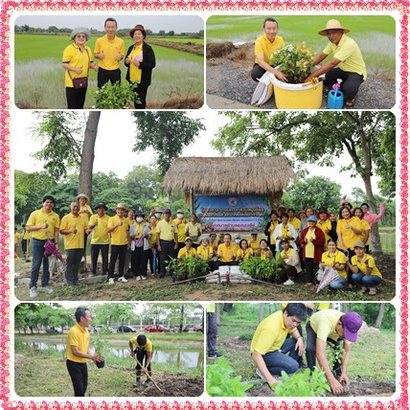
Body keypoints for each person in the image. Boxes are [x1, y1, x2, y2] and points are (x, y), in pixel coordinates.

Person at [305, 19, 367, 108]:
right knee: (324, 78)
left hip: (356, 72)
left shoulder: (349, 43)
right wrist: (307, 66)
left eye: (334, 32)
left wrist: (311, 77)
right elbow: (321, 56)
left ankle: (351, 96)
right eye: (328, 34)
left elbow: (332, 63)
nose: (331, 36)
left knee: (348, 91)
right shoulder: (332, 43)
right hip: (343, 69)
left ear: (341, 32)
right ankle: (343, 84)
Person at [306, 309, 363, 395]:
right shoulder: (326, 322)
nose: (346, 336)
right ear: (339, 324)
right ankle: (312, 375)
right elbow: (320, 353)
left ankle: (338, 375)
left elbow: (346, 351)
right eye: (345, 333)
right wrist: (330, 380)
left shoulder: (350, 323)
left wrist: (344, 371)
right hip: (314, 326)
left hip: (334, 331)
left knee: (338, 351)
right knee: (311, 349)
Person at [250, 304, 307, 389]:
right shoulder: (271, 328)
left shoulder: (286, 319)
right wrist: (270, 380)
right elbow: (256, 354)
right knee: (294, 366)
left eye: (298, 323)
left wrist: (299, 338)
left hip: (275, 347)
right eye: (293, 320)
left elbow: (293, 330)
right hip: (264, 354)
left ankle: (284, 366)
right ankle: (264, 371)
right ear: (286, 313)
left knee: (297, 341)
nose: (295, 324)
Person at [25, 195, 60, 298]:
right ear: (43, 203)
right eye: (47, 202)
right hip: (37, 242)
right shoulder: (35, 213)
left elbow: (56, 231)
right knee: (36, 265)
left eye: (51, 203)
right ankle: (32, 287)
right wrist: (40, 226)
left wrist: (56, 243)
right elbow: (28, 228)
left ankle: (45, 284)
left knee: (46, 265)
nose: (49, 204)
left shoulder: (55, 216)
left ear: (53, 205)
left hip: (49, 242)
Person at [66, 307, 103, 397]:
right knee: (79, 391)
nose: (91, 319)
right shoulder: (73, 331)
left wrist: (94, 358)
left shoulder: (86, 331)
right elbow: (75, 351)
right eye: (89, 317)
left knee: (83, 388)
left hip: (83, 363)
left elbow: (86, 349)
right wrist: (91, 357)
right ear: (82, 319)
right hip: (73, 364)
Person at [62, 28, 97, 109]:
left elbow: (90, 63)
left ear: (86, 38)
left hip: (83, 82)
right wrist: (75, 69)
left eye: (83, 36)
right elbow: (64, 64)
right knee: (72, 107)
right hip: (71, 83)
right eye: (79, 36)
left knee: (80, 106)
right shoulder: (69, 49)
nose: (81, 38)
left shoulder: (87, 49)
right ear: (74, 38)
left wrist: (95, 67)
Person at [125, 24, 156, 109]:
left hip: (142, 81)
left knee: (141, 101)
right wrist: (126, 61)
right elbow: (126, 63)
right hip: (132, 80)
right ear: (133, 36)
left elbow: (152, 64)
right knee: (135, 100)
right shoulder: (131, 48)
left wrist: (140, 64)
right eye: (135, 34)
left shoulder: (148, 48)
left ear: (143, 36)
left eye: (139, 34)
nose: (137, 36)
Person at [60, 202, 87, 285]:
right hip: (70, 245)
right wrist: (70, 231)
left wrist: (88, 231)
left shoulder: (82, 218)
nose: (76, 208)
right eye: (74, 207)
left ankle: (75, 279)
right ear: (70, 207)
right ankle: (68, 281)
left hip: (80, 245)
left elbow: (85, 229)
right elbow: (61, 231)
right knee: (69, 264)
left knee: (77, 264)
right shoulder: (66, 218)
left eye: (77, 207)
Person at [251, 17, 287, 82]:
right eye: (269, 29)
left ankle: (272, 78)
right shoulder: (259, 41)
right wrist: (276, 72)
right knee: (255, 74)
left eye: (274, 28)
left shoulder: (280, 40)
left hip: (275, 64)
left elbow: (284, 57)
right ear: (264, 29)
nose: (272, 31)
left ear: (277, 29)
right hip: (263, 65)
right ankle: (268, 81)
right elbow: (261, 62)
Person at [94, 18, 125, 88]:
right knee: (101, 92)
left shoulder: (121, 42)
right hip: (102, 70)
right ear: (105, 28)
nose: (110, 29)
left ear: (116, 28)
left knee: (117, 92)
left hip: (115, 70)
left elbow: (122, 55)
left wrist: (120, 57)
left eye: (112, 27)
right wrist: (99, 56)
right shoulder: (99, 41)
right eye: (108, 27)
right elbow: (95, 54)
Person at [107, 203, 130, 284]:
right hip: (115, 243)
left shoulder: (126, 220)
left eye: (122, 210)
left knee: (122, 261)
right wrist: (116, 225)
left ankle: (121, 276)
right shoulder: (112, 219)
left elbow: (127, 232)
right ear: (116, 210)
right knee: (113, 261)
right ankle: (110, 277)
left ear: (124, 211)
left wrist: (128, 243)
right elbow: (108, 230)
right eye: (119, 209)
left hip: (124, 243)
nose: (120, 211)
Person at [300, 215, 326, 287]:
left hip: (316, 253)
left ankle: (317, 282)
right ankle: (309, 281)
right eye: (310, 221)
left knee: (317, 268)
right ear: (308, 222)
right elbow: (301, 240)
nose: (311, 223)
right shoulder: (305, 230)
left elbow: (322, 242)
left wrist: (314, 241)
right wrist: (303, 241)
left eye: (313, 221)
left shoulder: (319, 231)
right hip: (307, 252)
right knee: (308, 268)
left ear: (315, 222)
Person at [87, 202, 110, 276]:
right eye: (99, 208)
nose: (101, 209)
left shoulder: (108, 218)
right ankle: (93, 271)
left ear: (104, 209)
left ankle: (105, 271)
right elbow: (89, 227)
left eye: (102, 208)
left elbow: (110, 229)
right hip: (95, 241)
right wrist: (93, 225)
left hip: (105, 241)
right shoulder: (93, 217)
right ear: (97, 209)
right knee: (94, 257)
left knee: (105, 257)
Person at [156, 208, 178, 278]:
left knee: (172, 258)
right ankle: (162, 272)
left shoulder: (173, 223)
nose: (167, 215)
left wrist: (176, 243)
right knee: (162, 259)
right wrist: (158, 245)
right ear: (163, 215)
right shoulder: (160, 223)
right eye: (165, 213)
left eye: (168, 214)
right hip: (163, 243)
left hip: (171, 243)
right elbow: (157, 235)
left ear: (170, 215)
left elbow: (175, 234)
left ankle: (172, 272)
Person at [76, 193, 92, 271]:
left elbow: (91, 215)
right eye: (80, 199)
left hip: (86, 229)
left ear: (86, 200)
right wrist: (81, 211)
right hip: (77, 229)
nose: (82, 200)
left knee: (84, 245)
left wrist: (87, 211)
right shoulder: (77, 207)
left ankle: (84, 264)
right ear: (78, 200)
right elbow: (74, 214)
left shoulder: (87, 207)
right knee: (78, 246)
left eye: (83, 199)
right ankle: (78, 263)